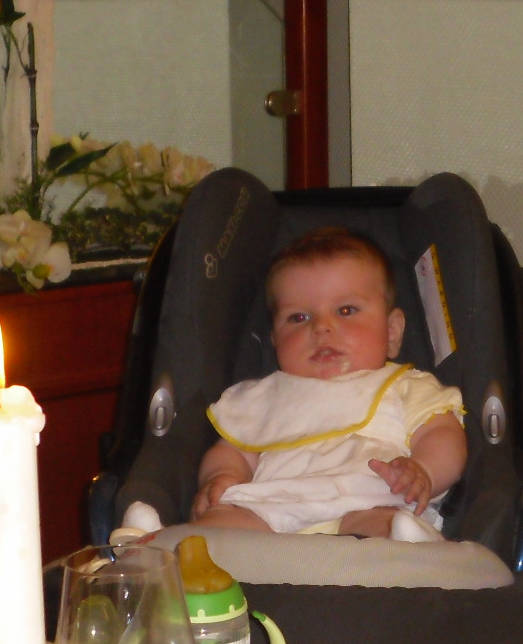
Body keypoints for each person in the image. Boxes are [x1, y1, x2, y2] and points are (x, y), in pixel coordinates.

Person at [192, 227, 468, 538]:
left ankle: (402, 543)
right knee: (219, 523)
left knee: (388, 525)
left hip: (368, 501)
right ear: (275, 340)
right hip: (271, 513)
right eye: (298, 318)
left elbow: (442, 434)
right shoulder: (263, 397)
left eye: (346, 311)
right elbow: (233, 451)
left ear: (391, 332)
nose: (322, 327)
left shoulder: (405, 386)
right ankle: (162, 546)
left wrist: (424, 469)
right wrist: (221, 476)